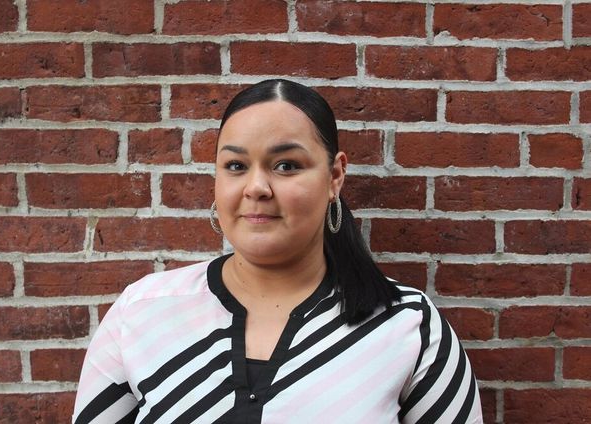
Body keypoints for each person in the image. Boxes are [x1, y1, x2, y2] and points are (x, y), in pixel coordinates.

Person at [73, 79, 483, 423]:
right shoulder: (142, 311)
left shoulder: (408, 325)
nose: (256, 187)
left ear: (335, 175)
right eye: (235, 167)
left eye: (286, 165)